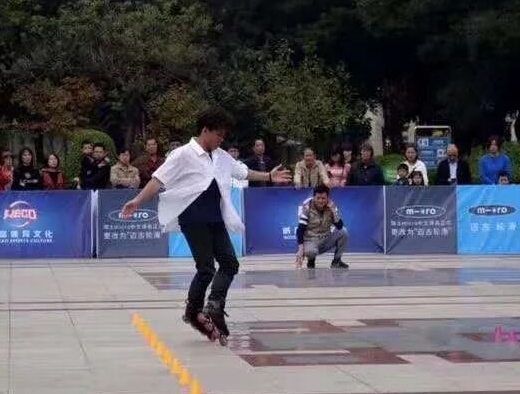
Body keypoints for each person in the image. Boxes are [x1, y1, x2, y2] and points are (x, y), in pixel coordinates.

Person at [119, 106, 292, 343]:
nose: (221, 140)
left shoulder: (221, 156)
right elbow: (158, 180)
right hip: (192, 217)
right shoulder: (182, 154)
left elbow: (242, 172)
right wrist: (137, 201)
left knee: (230, 263)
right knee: (206, 268)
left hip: (215, 216)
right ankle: (193, 311)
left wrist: (269, 177)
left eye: (223, 136)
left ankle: (214, 305)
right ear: (205, 131)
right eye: (218, 134)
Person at [294, 185, 349, 269]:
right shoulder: (307, 207)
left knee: (343, 232)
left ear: (327, 198)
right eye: (318, 198)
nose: (320, 201)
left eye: (323, 198)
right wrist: (300, 249)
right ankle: (311, 262)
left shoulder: (331, 206)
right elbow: (300, 229)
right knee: (310, 252)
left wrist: (333, 210)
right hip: (311, 240)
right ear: (314, 197)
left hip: (325, 239)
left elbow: (339, 226)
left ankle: (336, 261)